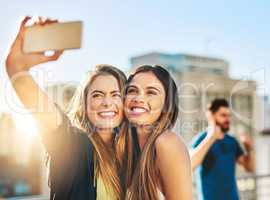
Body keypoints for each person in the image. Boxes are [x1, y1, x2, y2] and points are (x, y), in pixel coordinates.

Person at [5, 16, 127, 200]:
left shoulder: (131, 155)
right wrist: (17, 67)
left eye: (115, 94)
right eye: (97, 95)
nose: (107, 102)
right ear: (84, 105)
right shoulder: (71, 145)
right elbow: (41, 109)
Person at [121, 65, 193, 200]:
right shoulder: (123, 146)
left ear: (166, 104)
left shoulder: (166, 142)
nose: (138, 98)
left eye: (151, 92)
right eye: (132, 90)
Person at [190, 98, 255, 200]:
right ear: (211, 115)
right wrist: (211, 137)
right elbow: (190, 165)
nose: (227, 119)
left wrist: (249, 149)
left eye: (229, 116)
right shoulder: (200, 140)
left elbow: (250, 168)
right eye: (223, 115)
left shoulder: (232, 141)